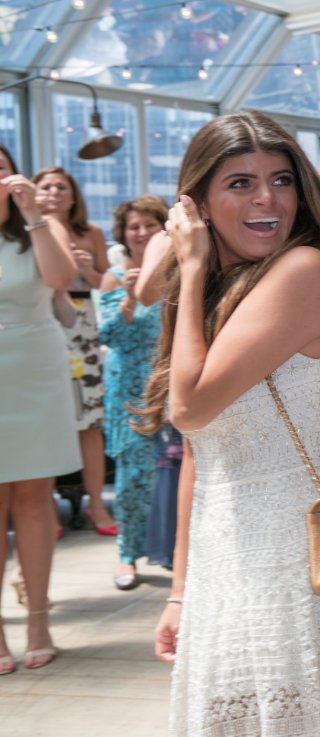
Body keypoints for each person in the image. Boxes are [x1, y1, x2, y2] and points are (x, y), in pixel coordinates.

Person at [144, 112, 320, 733]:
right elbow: (199, 450)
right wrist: (180, 590)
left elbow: (189, 405)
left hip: (293, 562)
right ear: (199, 200)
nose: (267, 199)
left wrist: (190, 265)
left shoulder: (303, 271)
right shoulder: (226, 287)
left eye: (281, 179)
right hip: (222, 558)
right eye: (240, 183)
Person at [0, 144, 80, 673]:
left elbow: (59, 281)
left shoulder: (39, 227)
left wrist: (33, 217)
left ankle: (39, 620)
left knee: (33, 497)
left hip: (34, 368)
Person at [33, 166, 116, 535]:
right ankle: (45, 507)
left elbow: (107, 285)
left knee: (90, 424)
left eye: (60, 186)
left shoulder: (91, 233)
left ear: (73, 195)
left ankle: (97, 504)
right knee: (44, 422)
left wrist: (87, 269)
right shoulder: (25, 233)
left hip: (82, 325)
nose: (52, 192)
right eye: (46, 186)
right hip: (41, 321)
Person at [98, 194, 168, 591]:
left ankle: (174, 549)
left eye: (149, 225)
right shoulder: (114, 275)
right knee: (133, 476)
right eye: (133, 226)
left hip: (172, 380)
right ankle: (127, 555)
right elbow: (108, 334)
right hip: (129, 386)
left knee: (174, 471)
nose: (141, 233)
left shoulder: (178, 270)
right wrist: (128, 296)